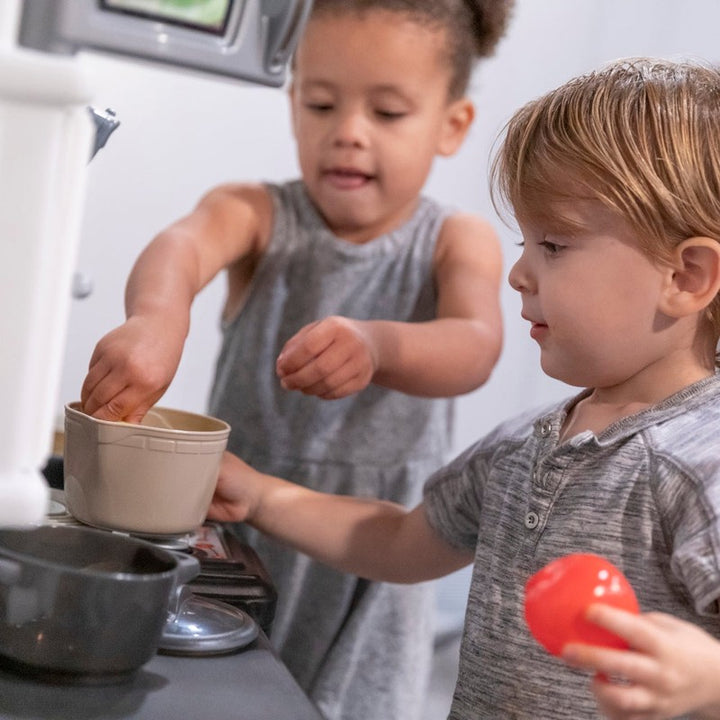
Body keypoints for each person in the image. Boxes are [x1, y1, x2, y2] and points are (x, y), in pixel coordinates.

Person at [205, 57, 720, 720]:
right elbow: (397, 541)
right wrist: (262, 494)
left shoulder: (699, 467)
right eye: (525, 243)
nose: (519, 274)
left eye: (555, 246)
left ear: (687, 276)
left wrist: (707, 681)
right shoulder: (523, 448)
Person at [80, 2, 513, 718]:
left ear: (451, 124)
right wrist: (156, 319)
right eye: (321, 103)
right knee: (224, 696)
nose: (347, 133)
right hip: (239, 532)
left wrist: (381, 345)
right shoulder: (254, 211)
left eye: (388, 112)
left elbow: (476, 343)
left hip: (373, 554)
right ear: (293, 104)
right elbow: (182, 248)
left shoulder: (456, 240)